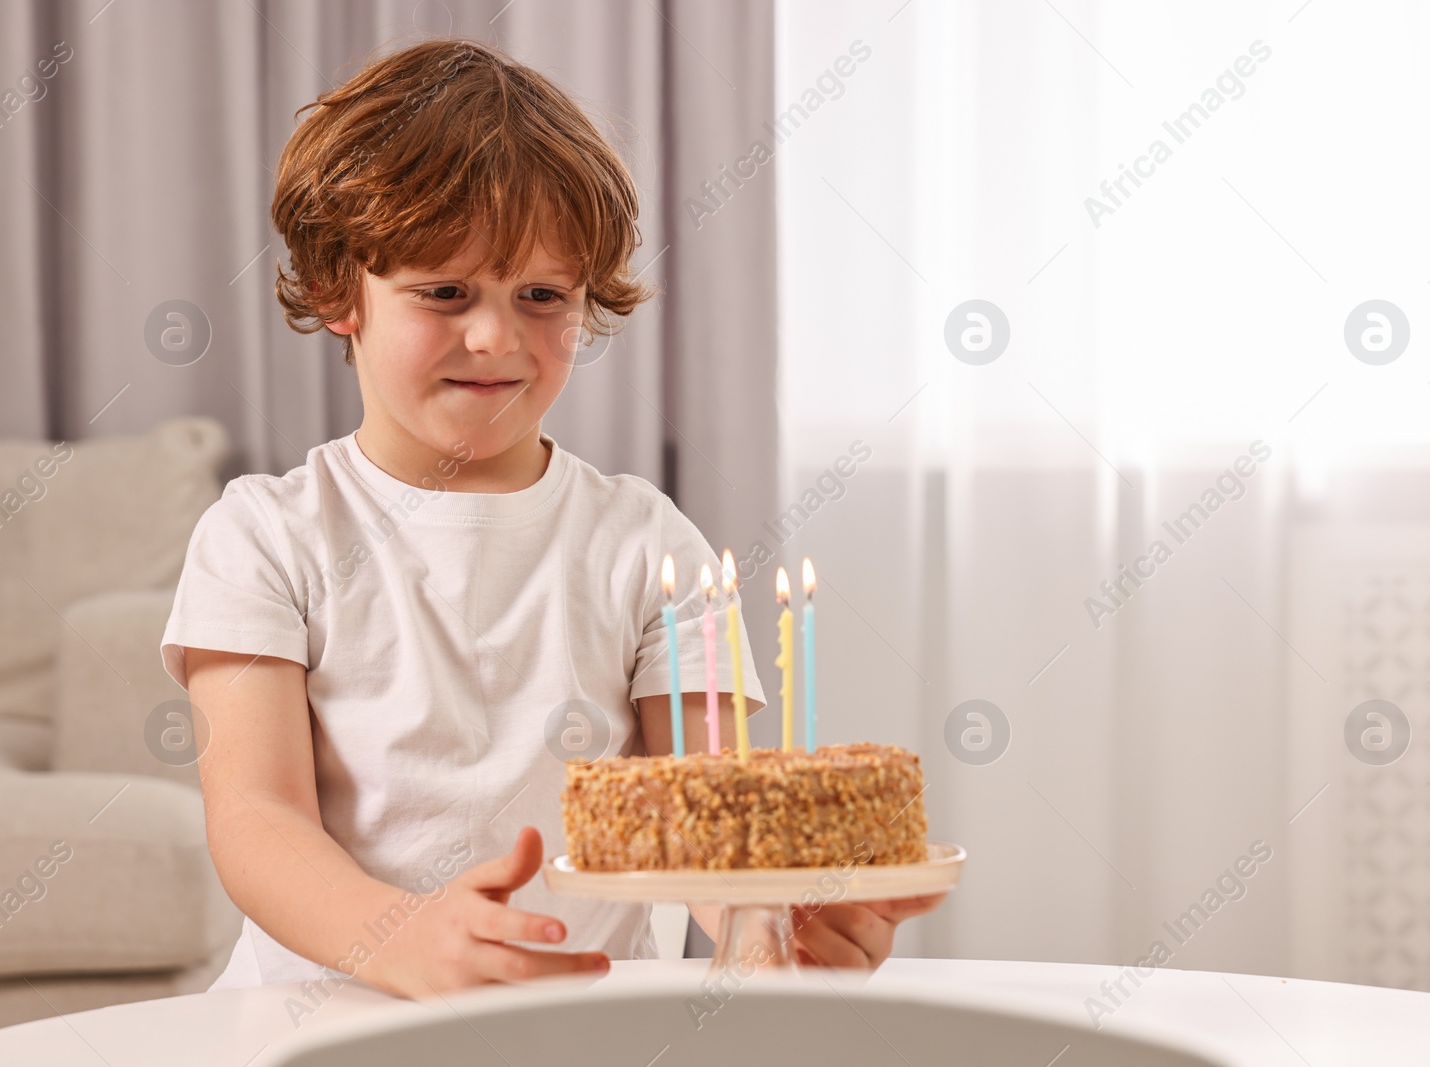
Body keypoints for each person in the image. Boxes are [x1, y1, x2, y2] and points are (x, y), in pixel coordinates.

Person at [161, 36, 943, 1000]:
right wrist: (402, 941)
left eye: (542, 296)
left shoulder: (649, 545)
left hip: (578, 1030)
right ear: (337, 290)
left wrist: (775, 925)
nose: (494, 338)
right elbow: (257, 819)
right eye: (444, 292)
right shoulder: (263, 536)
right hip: (315, 1023)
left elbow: (710, 827)